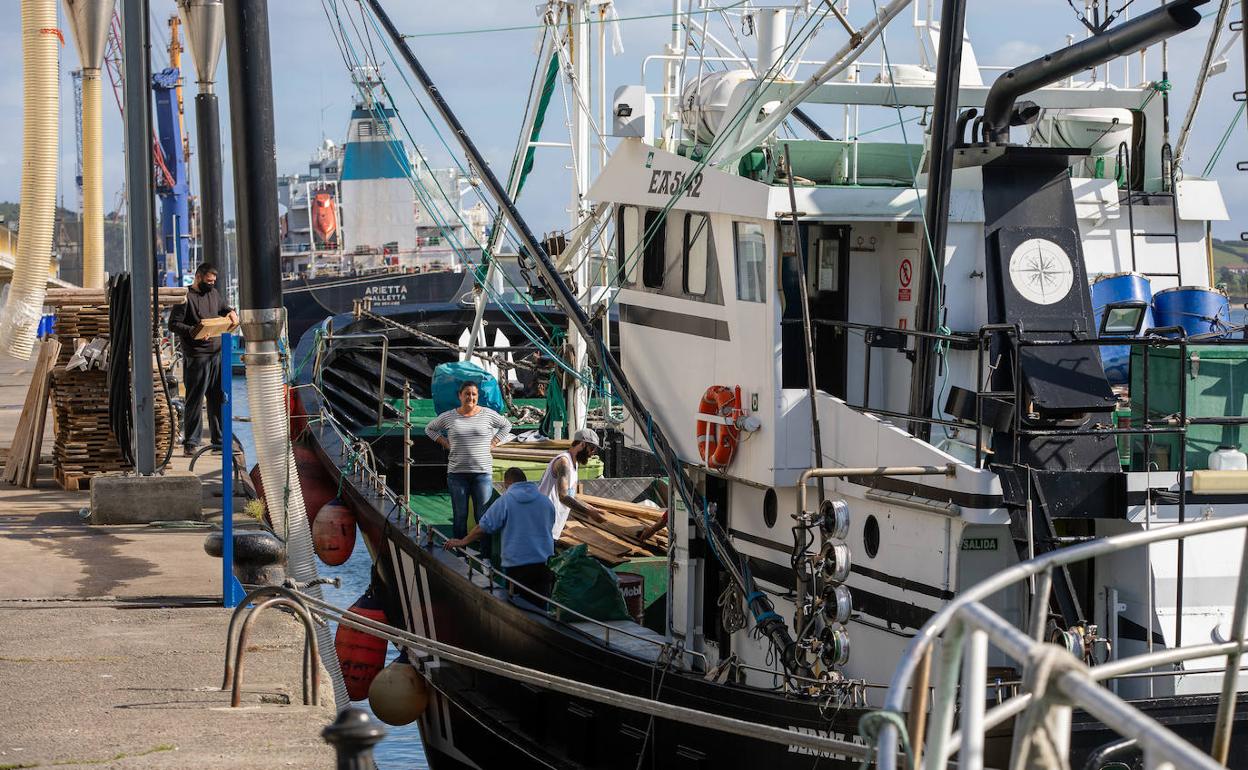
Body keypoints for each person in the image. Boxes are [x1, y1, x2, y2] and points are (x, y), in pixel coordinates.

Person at [444, 467, 556, 599]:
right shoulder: (546, 502)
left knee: (517, 606)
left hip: (517, 566)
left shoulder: (505, 501)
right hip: (543, 564)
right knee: (540, 608)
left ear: (506, 484)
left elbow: (483, 527)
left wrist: (463, 541)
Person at [425, 381, 512, 539]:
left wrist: (493, 442)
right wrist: (444, 442)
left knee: (483, 516)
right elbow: (429, 428)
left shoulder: (487, 414)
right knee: (460, 515)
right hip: (457, 475)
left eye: (473, 394)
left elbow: (506, 425)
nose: (470, 397)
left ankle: (485, 554)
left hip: (482, 474)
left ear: (477, 397)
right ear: (460, 396)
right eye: (467, 394)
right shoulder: (450, 416)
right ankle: (460, 552)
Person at [168, 262, 238, 456]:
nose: (212, 284)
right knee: (195, 400)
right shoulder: (186, 298)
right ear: (198, 277)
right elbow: (173, 324)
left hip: (216, 354)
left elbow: (223, 308)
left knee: (216, 398)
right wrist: (194, 331)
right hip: (196, 356)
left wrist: (231, 311)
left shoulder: (213, 294)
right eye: (208, 281)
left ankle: (219, 442)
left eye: (214, 281)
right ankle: (191, 443)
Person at [538, 428, 609, 538]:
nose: (593, 453)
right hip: (541, 527)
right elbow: (564, 496)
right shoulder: (563, 462)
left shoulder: (573, 464)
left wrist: (590, 508)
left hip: (550, 528)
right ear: (582, 444)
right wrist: (589, 513)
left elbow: (571, 495)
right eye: (592, 448)